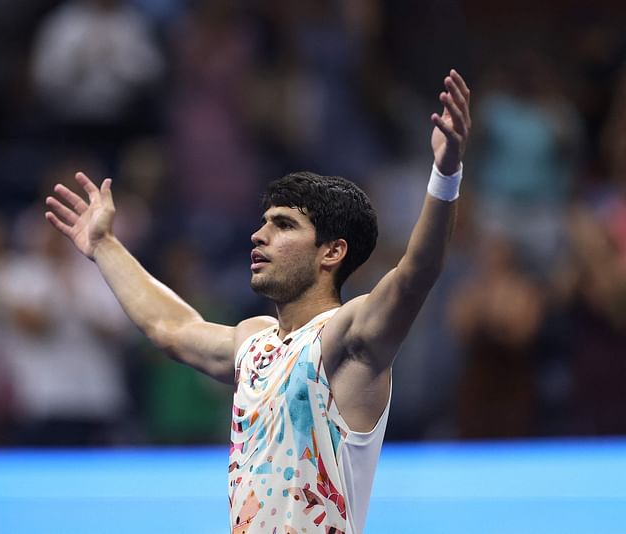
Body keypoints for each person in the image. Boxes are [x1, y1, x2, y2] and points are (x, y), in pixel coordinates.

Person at [45, 70, 471, 533]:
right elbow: (171, 328)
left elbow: (415, 275)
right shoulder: (254, 342)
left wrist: (445, 173)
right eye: (264, 222)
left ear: (332, 251)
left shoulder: (347, 337)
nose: (258, 235)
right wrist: (105, 246)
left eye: (284, 225)